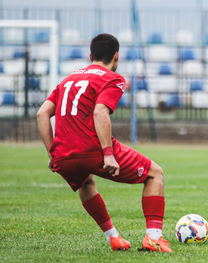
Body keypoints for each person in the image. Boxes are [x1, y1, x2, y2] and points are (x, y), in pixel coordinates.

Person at [37, 33, 172, 253]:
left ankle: (114, 237)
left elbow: (42, 114)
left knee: (85, 183)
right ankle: (154, 238)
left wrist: (53, 154)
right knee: (155, 173)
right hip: (94, 150)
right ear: (116, 56)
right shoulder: (112, 78)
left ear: (91, 55)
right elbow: (100, 112)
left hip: (63, 154)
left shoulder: (68, 80)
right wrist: (108, 154)